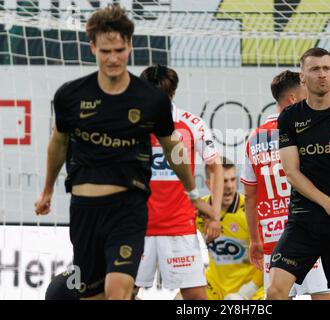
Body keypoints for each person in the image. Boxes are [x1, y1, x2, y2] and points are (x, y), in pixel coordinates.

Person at [34, 6, 212, 300]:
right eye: (105, 51)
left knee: (119, 291)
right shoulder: (70, 95)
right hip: (85, 210)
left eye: (119, 49)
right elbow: (58, 143)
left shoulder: (151, 100)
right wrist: (47, 190)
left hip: (128, 210)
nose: (113, 58)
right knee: (94, 296)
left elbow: (172, 148)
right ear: (92, 47)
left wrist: (193, 194)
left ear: (129, 45)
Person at [267, 48, 330, 300]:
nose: (322, 74)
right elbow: (291, 172)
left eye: (327, 68)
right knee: (275, 291)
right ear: (303, 77)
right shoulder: (290, 117)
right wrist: (327, 203)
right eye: (314, 69)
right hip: (304, 219)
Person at [241, 70, 330, 300]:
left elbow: (250, 196)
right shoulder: (307, 132)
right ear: (293, 99)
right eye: (306, 92)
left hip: (273, 236)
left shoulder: (254, 139)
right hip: (308, 229)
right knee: (322, 295)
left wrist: (254, 239)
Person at [135, 65, 223, 300]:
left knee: (196, 299)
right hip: (136, 226)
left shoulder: (191, 124)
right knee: (121, 293)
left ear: (172, 94)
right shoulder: (131, 126)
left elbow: (215, 166)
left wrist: (214, 213)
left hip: (179, 227)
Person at [196, 158, 264, 300]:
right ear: (208, 184)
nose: (230, 186)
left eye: (233, 180)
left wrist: (245, 293)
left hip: (250, 290)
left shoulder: (249, 211)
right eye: (224, 181)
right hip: (214, 287)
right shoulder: (199, 209)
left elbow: (268, 258)